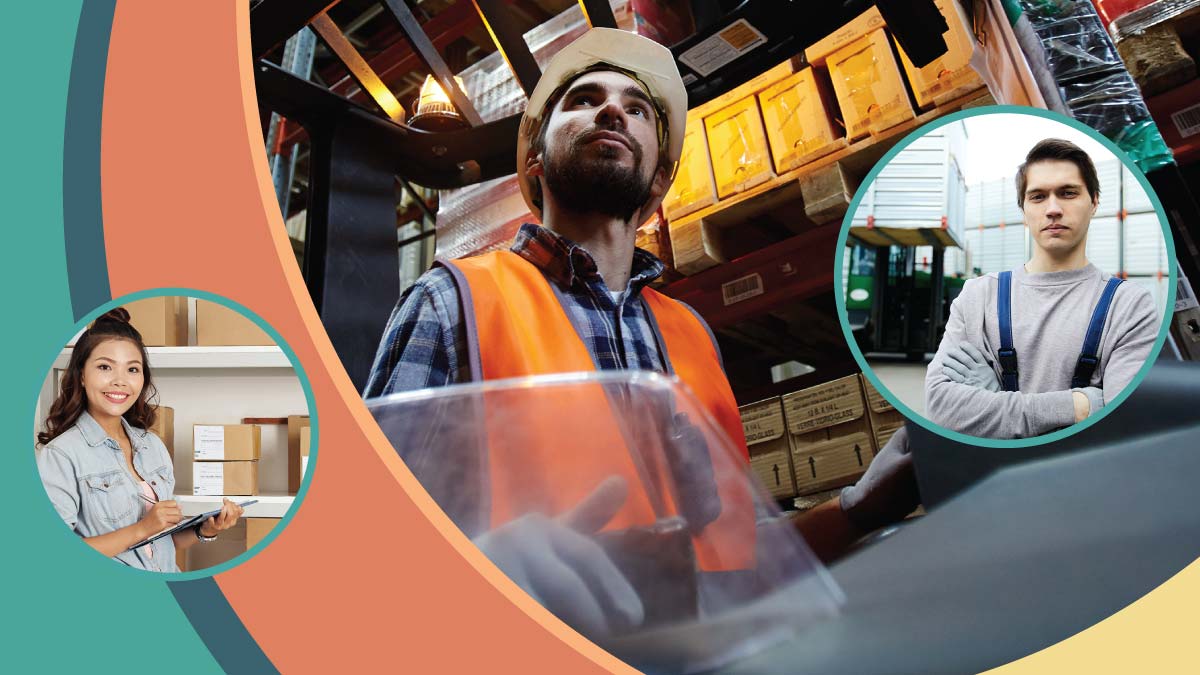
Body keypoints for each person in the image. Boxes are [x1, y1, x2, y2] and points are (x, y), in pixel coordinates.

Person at [366, 29, 917, 634]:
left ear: (658, 180)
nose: (610, 110)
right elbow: (362, 548)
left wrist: (856, 507)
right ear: (535, 161)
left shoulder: (691, 335)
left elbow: (736, 563)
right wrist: (473, 574)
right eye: (582, 101)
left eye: (636, 109)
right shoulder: (451, 304)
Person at [925, 139, 1160, 439]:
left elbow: (1122, 428)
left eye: (1068, 193)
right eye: (1037, 197)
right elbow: (941, 410)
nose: (1052, 209)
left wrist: (997, 396)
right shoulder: (978, 297)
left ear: (1095, 202)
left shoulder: (1127, 306)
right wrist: (1082, 403)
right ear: (1023, 210)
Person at [37, 308, 244, 572]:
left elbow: (161, 542)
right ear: (81, 375)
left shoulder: (152, 446)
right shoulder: (61, 454)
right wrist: (141, 528)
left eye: (132, 369)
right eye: (104, 367)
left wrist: (206, 529)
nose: (120, 381)